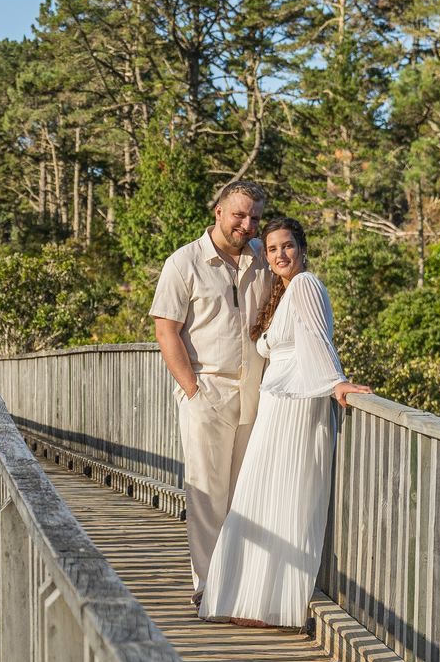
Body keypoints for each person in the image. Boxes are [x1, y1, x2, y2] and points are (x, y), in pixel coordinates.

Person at [198, 217, 372, 627]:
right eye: (272, 248)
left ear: (303, 249)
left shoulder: (307, 284)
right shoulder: (284, 291)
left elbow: (317, 338)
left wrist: (337, 382)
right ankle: (248, 599)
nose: (280, 254)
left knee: (286, 496)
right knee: (259, 496)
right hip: (276, 404)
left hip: (298, 403)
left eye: (287, 246)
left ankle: (271, 606)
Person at [150, 180, 272, 602]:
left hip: (255, 393)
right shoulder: (184, 262)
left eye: (254, 217)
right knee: (206, 493)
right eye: (239, 214)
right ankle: (209, 587)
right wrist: (191, 388)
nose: (247, 224)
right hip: (207, 390)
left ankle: (238, 583)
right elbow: (166, 330)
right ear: (218, 212)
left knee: (245, 492)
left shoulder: (264, 259)